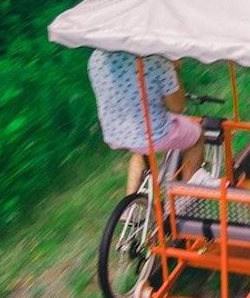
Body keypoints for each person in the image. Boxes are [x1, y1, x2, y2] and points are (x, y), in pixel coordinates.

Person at [88, 49, 210, 195]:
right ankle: (184, 199)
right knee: (197, 135)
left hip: (114, 133)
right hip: (154, 135)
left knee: (140, 151)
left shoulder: (96, 58)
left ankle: (130, 206)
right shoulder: (158, 61)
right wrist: (175, 69)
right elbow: (177, 107)